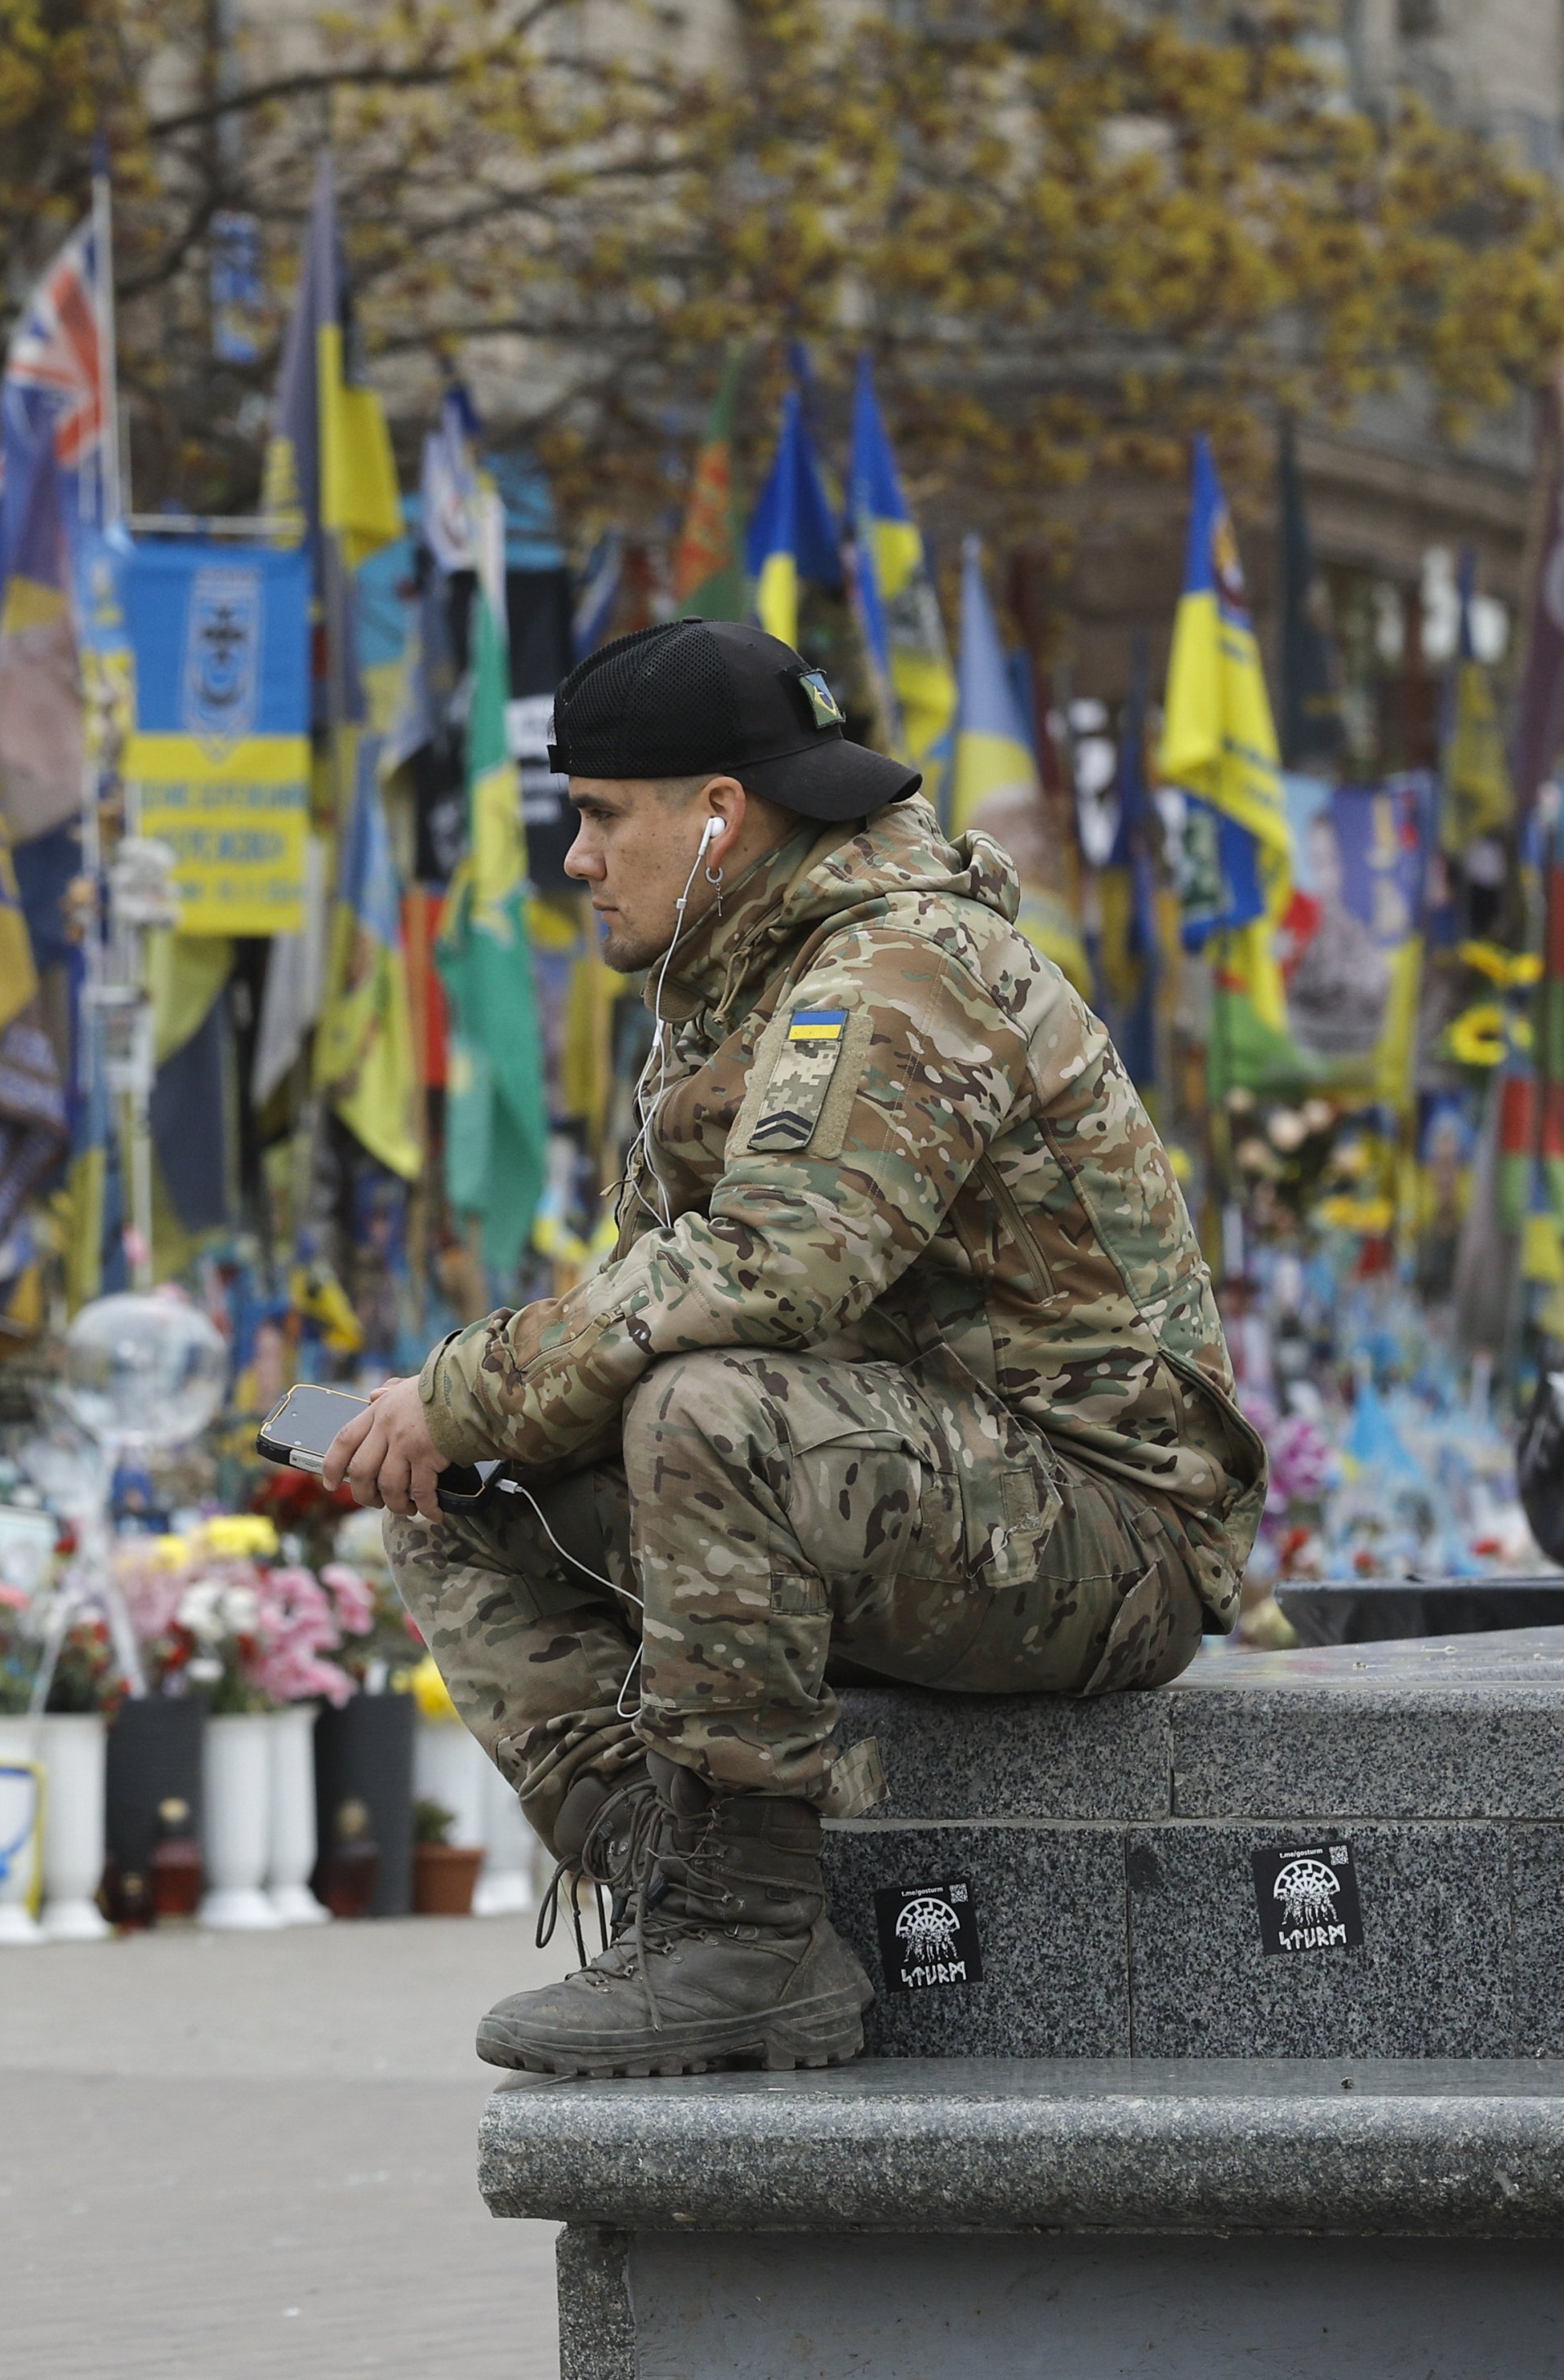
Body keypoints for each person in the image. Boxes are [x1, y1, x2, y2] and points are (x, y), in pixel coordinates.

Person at [321, 619, 1264, 2080]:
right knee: (459, 1492)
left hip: (1111, 1529)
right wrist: (462, 1421)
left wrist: (463, 1382)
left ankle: (752, 1945)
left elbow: (776, 1265)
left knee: (704, 1410)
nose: (574, 859)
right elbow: (656, 1288)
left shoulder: (897, 967)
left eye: (599, 816)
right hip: (933, 1488)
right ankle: (668, 1872)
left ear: (719, 816)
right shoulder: (740, 977)